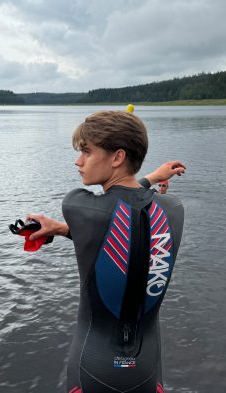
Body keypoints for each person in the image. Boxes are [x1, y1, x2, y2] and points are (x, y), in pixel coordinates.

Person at [26, 111, 185, 393]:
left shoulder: (78, 206)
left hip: (92, 368)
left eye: (86, 151)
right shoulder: (173, 210)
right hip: (147, 369)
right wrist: (149, 179)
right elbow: (129, 229)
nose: (78, 161)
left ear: (117, 157)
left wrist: (150, 178)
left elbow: (108, 223)